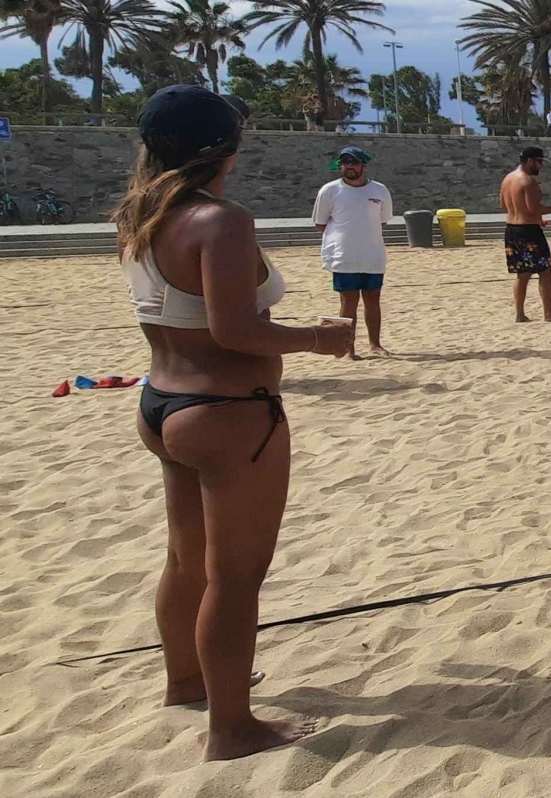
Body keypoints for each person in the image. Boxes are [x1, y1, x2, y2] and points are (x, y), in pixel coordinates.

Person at [113, 86, 353, 761]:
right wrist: (317, 338)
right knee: (235, 575)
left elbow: (187, 316)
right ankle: (232, 727)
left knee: (185, 561)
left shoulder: (138, 215)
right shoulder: (220, 220)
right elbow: (235, 328)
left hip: (162, 400)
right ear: (226, 147)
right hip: (227, 411)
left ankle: (186, 682)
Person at [312, 146, 392, 359]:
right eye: (345, 162)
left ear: (363, 166)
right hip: (343, 256)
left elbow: (383, 221)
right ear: (340, 166)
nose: (350, 166)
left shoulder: (379, 190)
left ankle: (375, 345)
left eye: (354, 162)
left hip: (373, 255)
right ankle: (348, 349)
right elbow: (320, 223)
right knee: (348, 302)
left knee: (373, 299)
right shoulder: (329, 190)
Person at [500, 146, 551, 322]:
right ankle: (548, 313)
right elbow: (534, 208)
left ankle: (520, 314)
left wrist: (534, 217)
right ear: (530, 161)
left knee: (523, 273)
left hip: (511, 229)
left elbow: (503, 205)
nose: (541, 166)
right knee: (545, 271)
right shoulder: (527, 181)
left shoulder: (508, 179)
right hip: (529, 231)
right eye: (539, 162)